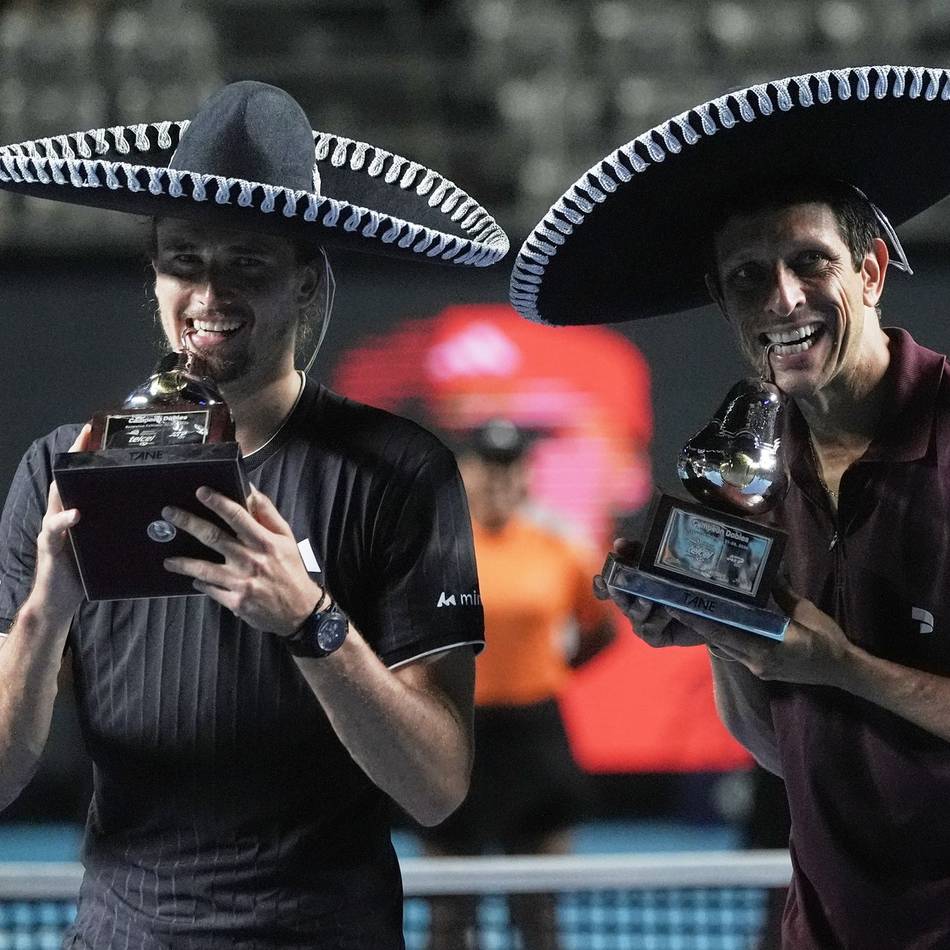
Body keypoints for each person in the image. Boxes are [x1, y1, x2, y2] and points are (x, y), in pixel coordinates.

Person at [0, 80, 510, 948]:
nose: (209, 292)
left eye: (249, 263)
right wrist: (48, 610)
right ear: (154, 272)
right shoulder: (60, 468)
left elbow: (436, 788)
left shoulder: (400, 472)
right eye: (184, 258)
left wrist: (311, 622)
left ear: (307, 283)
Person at [509, 65, 950, 948]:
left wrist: (845, 667)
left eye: (810, 261)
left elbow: (832, 675)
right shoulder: (753, 475)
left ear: (870, 271)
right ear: (724, 303)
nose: (782, 298)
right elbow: (781, 748)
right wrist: (719, 625)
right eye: (748, 278)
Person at [422, 419, 614, 950]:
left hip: (535, 741)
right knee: (448, 916)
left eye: (511, 468)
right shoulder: (430, 551)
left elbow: (600, 629)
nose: (499, 480)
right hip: (454, 736)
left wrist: (551, 672)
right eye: (488, 467)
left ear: (526, 475)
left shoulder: (560, 549)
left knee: (538, 914)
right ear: (465, 472)